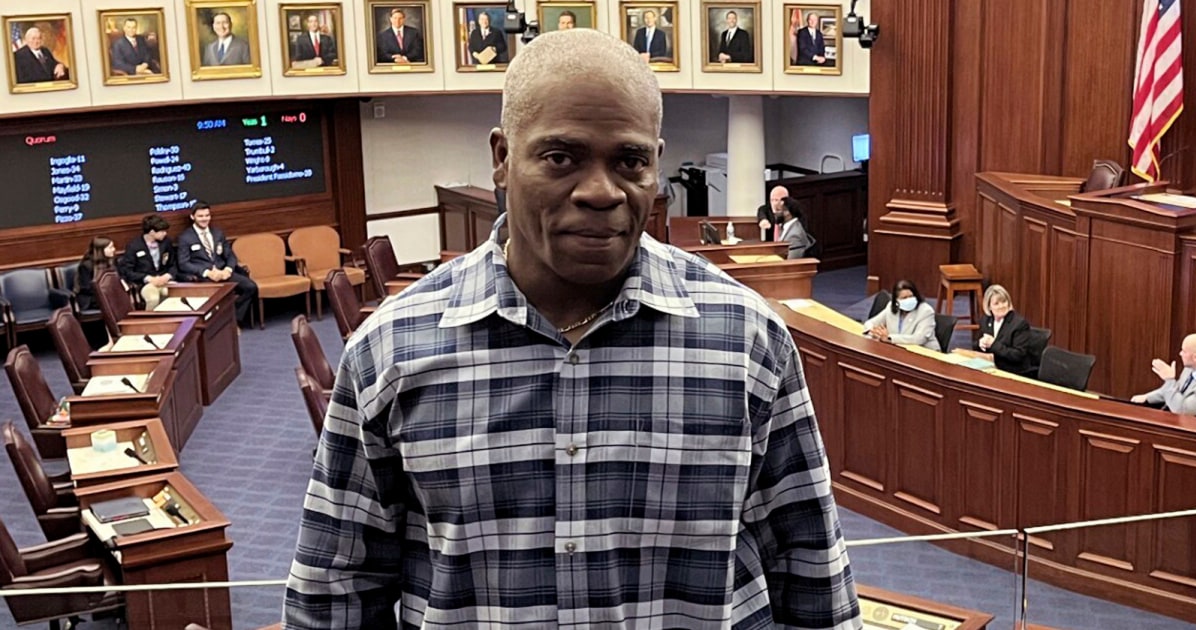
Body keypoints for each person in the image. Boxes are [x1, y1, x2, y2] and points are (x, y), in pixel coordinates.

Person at [284, 28, 859, 629]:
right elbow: (335, 596)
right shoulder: (390, 350)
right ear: (502, 158)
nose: (601, 192)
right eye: (561, 158)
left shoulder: (747, 339)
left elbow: (812, 578)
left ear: (656, 163)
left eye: (630, 161)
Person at [176, 203, 257, 325]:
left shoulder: (217, 233)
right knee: (214, 299)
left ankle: (233, 320)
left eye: (207, 215)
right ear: (192, 217)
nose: (204, 219)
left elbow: (230, 256)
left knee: (250, 287)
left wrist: (228, 270)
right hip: (203, 277)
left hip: (223, 272)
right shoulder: (185, 237)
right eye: (200, 216)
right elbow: (183, 263)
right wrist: (207, 273)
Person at [1131, 334, 1196, 415]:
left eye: (1184, 351)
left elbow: (1182, 410)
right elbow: (1173, 390)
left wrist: (1169, 380)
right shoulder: (1189, 370)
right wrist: (1147, 397)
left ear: (1195, 357)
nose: (1180, 353)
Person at [974, 284, 1035, 374]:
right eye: (996, 303)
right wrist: (980, 344)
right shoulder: (985, 320)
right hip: (991, 367)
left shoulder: (1019, 324)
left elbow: (1017, 355)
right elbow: (975, 345)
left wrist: (993, 344)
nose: (1001, 306)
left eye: (1004, 302)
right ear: (989, 306)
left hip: (1013, 371)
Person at [863, 279, 939, 351]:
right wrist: (875, 332)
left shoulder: (926, 311)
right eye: (904, 298)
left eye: (911, 296)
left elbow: (918, 339)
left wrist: (889, 338)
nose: (909, 300)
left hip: (925, 352)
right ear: (896, 301)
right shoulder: (891, 307)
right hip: (897, 350)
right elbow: (870, 323)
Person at [118, 215, 175, 310]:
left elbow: (173, 263)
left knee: (177, 294)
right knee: (153, 299)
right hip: (146, 283)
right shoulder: (134, 246)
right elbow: (128, 271)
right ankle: (151, 319)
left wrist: (168, 275)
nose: (165, 233)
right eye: (162, 231)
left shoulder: (166, 242)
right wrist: (147, 278)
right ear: (152, 232)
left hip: (165, 280)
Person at [74, 237, 117, 311]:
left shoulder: (111, 261)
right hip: (91, 298)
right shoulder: (86, 265)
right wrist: (105, 291)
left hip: (107, 294)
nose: (114, 249)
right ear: (101, 250)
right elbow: (86, 288)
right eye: (110, 247)